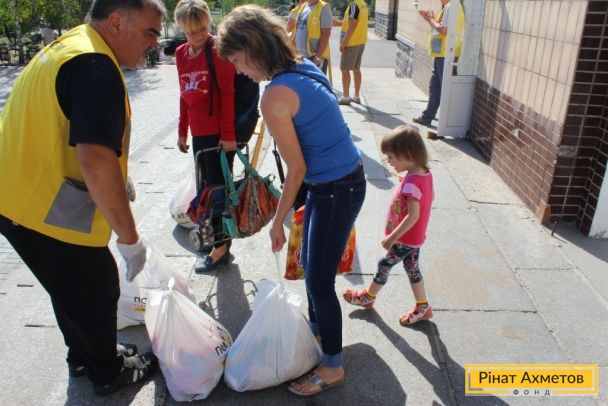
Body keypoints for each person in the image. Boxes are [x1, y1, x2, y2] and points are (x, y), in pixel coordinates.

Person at [0, 0, 165, 396]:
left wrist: (118, 176)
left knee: (70, 286)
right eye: (150, 33)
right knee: (98, 285)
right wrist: (130, 240)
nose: (154, 44)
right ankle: (108, 372)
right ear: (116, 23)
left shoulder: (74, 46)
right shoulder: (97, 68)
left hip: (18, 195)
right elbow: (96, 160)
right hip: (42, 208)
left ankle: (84, 355)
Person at [216, 5, 366, 396]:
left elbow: (295, 169)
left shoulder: (275, 95)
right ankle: (318, 335)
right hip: (341, 182)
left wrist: (276, 223)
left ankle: (332, 366)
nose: (238, 70)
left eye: (236, 60)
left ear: (253, 48)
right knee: (315, 270)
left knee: (318, 281)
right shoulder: (303, 66)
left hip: (334, 188)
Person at [343, 125, 434, 326]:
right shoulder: (423, 174)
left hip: (404, 239)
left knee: (384, 265)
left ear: (407, 154)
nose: (388, 161)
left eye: (391, 157)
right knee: (412, 269)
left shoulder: (412, 183)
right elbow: (429, 196)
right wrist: (407, 181)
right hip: (415, 238)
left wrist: (392, 237)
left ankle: (368, 297)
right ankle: (423, 306)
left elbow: (413, 215)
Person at [173, 0, 237, 272]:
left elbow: (227, 93)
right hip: (199, 137)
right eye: (190, 31)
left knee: (218, 194)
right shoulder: (180, 53)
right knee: (205, 192)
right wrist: (182, 131)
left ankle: (220, 249)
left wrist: (229, 135)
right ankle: (214, 239)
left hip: (219, 136)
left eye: (201, 28)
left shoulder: (217, 49)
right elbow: (184, 94)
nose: (197, 35)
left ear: (208, 22)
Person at [413, 0, 464, 127]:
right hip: (442, 54)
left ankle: (449, 124)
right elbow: (441, 27)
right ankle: (427, 117)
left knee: (444, 88)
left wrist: (430, 19)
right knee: (435, 87)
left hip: (447, 54)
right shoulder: (449, 7)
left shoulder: (452, 7)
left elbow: (443, 30)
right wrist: (430, 19)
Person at [332, 0, 368, 105]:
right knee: (356, 69)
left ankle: (346, 96)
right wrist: (337, 23)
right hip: (360, 41)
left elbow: (352, 25)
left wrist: (344, 43)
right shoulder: (362, 4)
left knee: (344, 69)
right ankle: (356, 96)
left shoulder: (354, 5)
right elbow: (352, 22)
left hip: (352, 42)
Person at [292, 0, 333, 74]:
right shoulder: (303, 6)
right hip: (301, 57)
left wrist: (318, 56)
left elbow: (326, 34)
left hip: (314, 57)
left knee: (315, 80)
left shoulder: (323, 7)